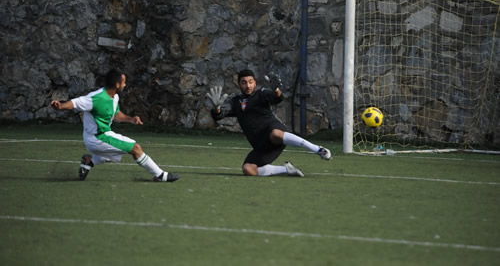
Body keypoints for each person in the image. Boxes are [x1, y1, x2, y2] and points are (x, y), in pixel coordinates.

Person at [50, 69, 180, 183]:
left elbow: (116, 114)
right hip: (96, 138)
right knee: (135, 148)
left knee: (113, 153)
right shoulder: (96, 98)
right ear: (117, 84)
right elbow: (75, 102)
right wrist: (61, 106)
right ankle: (160, 175)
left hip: (103, 136)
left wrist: (130, 119)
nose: (125, 84)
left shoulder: (114, 97)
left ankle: (89, 161)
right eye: (124, 82)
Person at [207, 69, 331, 177]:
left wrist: (276, 89)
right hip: (262, 146)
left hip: (274, 132)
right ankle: (286, 169)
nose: (248, 85)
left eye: (250, 82)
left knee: (275, 134)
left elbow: (277, 98)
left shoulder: (261, 94)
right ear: (239, 84)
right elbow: (218, 115)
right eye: (244, 82)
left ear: (255, 82)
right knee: (247, 169)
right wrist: (217, 108)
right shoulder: (235, 102)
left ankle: (318, 150)